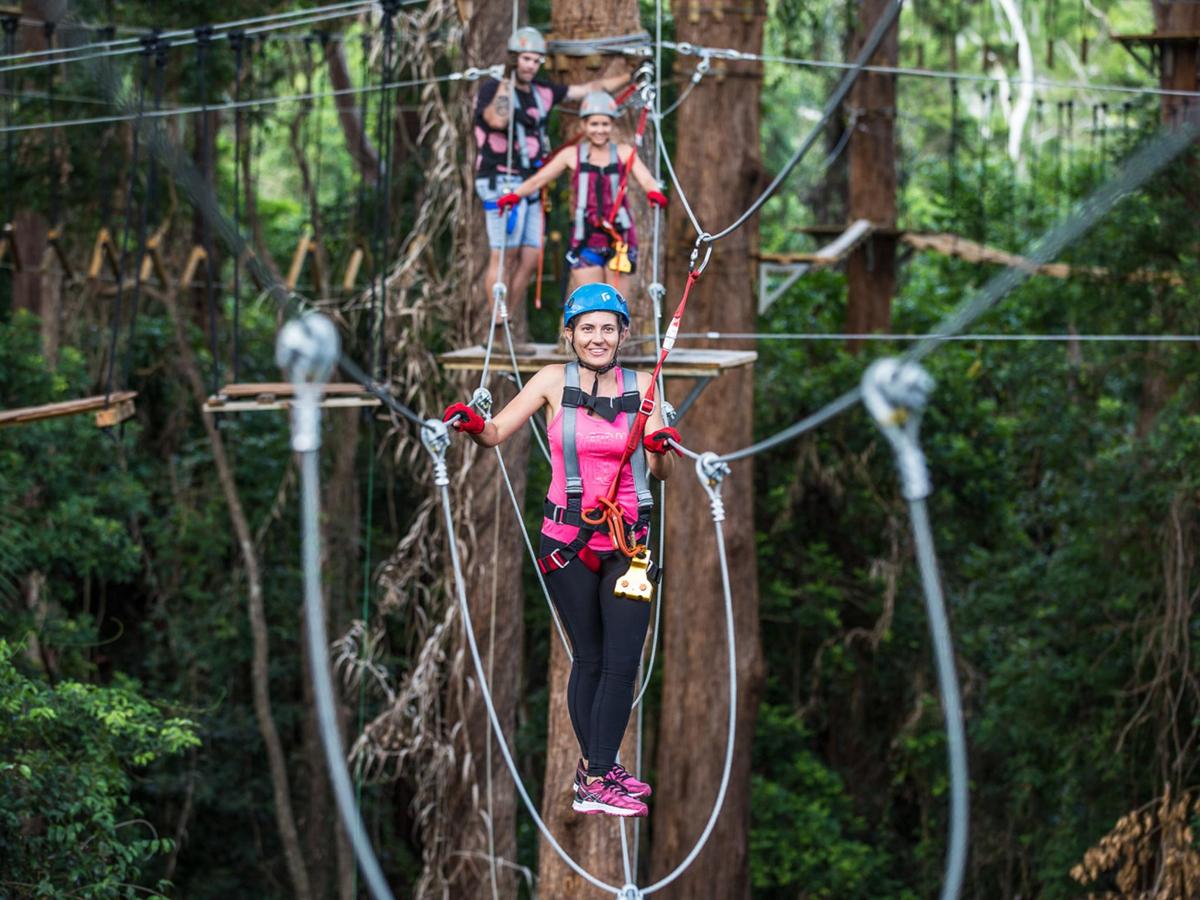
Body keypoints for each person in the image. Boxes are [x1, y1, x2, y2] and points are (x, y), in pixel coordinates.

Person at [442, 283, 683, 818]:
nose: (597, 338)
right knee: (590, 658)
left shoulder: (645, 385)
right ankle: (597, 773)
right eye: (587, 328)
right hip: (567, 543)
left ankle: (597, 774)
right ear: (570, 334)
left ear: (623, 334)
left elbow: (663, 473)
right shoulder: (552, 380)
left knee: (621, 662)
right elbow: (499, 431)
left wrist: (658, 448)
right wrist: (474, 425)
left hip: (627, 545)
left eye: (607, 328)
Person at [474, 27, 630, 325]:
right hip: (500, 180)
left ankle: (502, 320)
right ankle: (494, 325)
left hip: (531, 182)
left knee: (531, 256)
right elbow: (498, 118)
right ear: (513, 59)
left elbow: (589, 88)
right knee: (505, 254)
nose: (530, 65)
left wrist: (631, 77)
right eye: (525, 59)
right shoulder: (492, 90)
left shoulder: (542, 92)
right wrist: (506, 82)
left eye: (535, 60)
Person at [496, 90, 667, 299]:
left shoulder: (624, 152)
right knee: (591, 305)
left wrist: (654, 193)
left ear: (612, 125)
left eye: (605, 124)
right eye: (594, 124)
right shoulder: (571, 155)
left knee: (617, 307)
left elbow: (647, 180)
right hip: (586, 238)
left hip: (620, 237)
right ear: (584, 126)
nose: (600, 130)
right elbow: (538, 180)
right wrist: (514, 196)